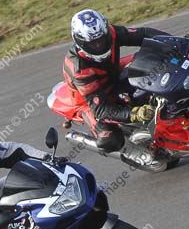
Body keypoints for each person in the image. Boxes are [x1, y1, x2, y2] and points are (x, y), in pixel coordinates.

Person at [64, 9, 169, 153]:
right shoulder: (80, 69)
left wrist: (173, 43)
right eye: (94, 43)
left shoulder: (110, 33)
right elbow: (101, 109)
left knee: (155, 60)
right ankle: (136, 153)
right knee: (110, 140)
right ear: (80, 41)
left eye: (102, 40)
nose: (99, 45)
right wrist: (134, 114)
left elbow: (143, 34)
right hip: (90, 100)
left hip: (112, 74)